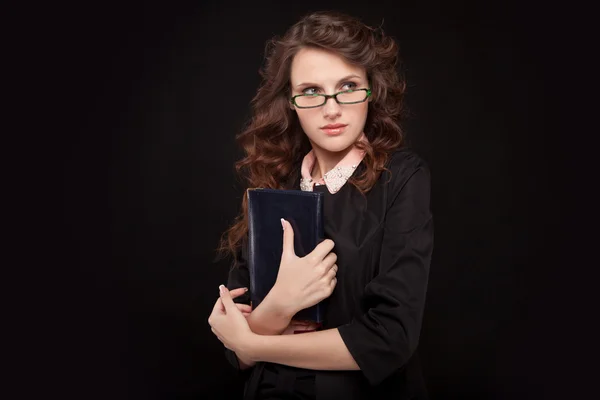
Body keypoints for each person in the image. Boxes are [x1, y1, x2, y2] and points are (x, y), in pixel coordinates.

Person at [208, 10, 434, 400]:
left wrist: (257, 344)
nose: (331, 109)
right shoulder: (273, 183)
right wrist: (279, 305)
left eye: (347, 86)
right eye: (311, 91)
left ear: (370, 91)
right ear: (292, 102)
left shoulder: (401, 177)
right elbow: (233, 350)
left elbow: (390, 338)